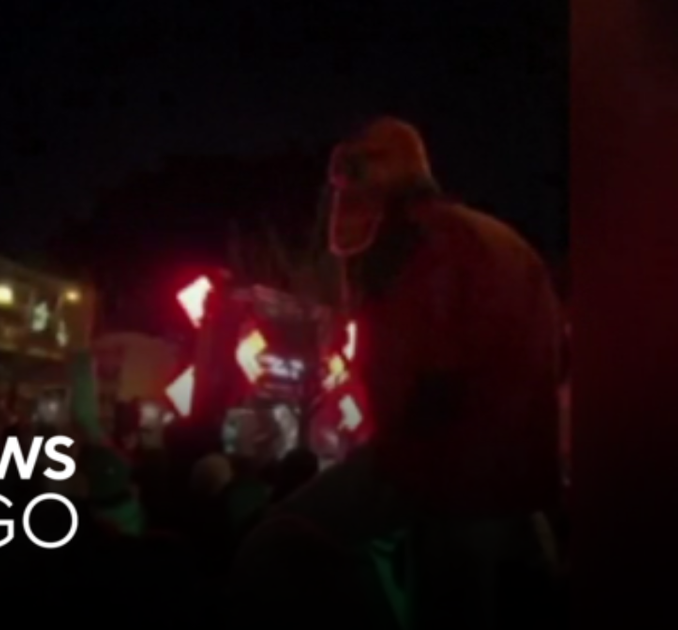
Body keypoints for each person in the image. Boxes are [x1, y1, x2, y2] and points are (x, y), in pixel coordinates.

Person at [229, 118, 564, 629]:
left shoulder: (422, 244)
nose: (343, 211)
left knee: (274, 546)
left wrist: (399, 456)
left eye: (351, 191)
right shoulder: (499, 240)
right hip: (516, 483)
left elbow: (432, 379)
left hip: (445, 473)